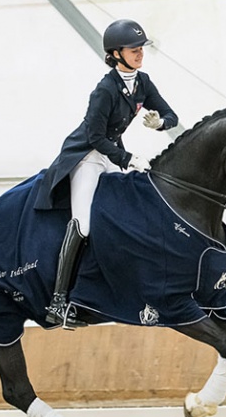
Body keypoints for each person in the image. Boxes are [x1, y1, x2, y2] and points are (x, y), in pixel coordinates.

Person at [34, 18, 179, 329]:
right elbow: (96, 136)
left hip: (111, 153)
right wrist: (127, 159)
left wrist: (160, 124)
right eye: (133, 49)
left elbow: (171, 114)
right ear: (115, 54)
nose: (140, 53)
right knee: (83, 225)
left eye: (141, 48)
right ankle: (59, 301)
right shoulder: (105, 90)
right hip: (88, 156)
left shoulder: (143, 82)